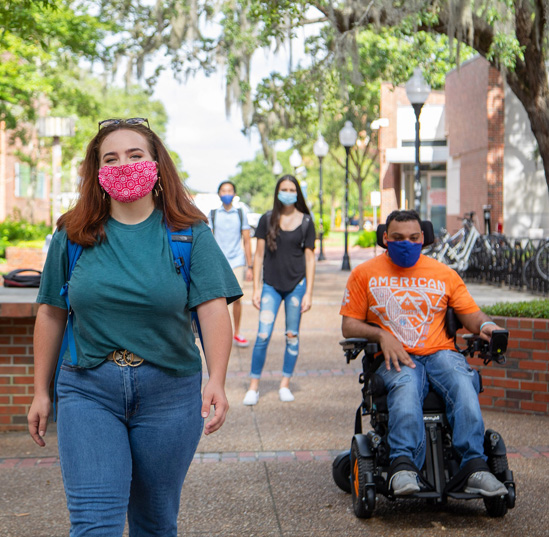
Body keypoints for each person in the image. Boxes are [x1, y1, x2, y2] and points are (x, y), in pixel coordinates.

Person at [27, 117, 242, 537]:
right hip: (88, 389)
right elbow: (51, 311)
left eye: (134, 154)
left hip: (170, 393)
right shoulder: (72, 234)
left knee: (154, 523)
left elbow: (214, 309)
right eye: (111, 158)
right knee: (94, 525)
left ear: (156, 163)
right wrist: (39, 391)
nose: (123, 164)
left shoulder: (188, 234)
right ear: (97, 172)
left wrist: (217, 378)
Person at [340, 209, 509, 498]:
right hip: (395, 358)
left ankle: (474, 468)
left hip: (440, 353)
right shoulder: (364, 274)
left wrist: (488, 326)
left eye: (413, 237)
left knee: (462, 380)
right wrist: (382, 335)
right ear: (385, 238)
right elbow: (349, 324)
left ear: (424, 238)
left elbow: (471, 315)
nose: (406, 242)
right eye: (398, 238)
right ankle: (403, 466)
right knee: (406, 385)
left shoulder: (443, 274)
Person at [243, 175, 315, 405]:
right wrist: (256, 288)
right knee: (262, 336)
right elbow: (259, 253)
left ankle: (285, 384)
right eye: (283, 188)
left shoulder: (306, 222)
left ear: (297, 193)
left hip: (297, 286)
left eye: (291, 189)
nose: (287, 192)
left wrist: (309, 292)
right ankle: (254, 386)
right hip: (271, 286)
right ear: (277, 192)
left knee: (292, 336)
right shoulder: (267, 219)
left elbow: (310, 258)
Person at [208, 181, 253, 347]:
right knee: (219, 300)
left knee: (237, 299)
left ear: (234, 194)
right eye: (223, 190)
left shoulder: (240, 213)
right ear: (219, 194)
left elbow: (247, 240)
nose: (227, 193)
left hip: (237, 260)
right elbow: (209, 240)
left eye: (230, 190)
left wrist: (250, 266)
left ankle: (237, 332)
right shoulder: (213, 214)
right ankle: (221, 333)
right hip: (219, 262)